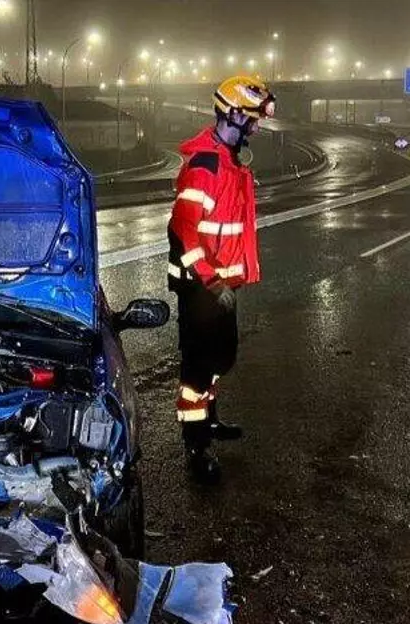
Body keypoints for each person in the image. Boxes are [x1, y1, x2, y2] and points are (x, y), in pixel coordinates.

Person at [166, 75, 275, 484]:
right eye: (252, 119)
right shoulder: (205, 166)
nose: (256, 128)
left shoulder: (228, 162)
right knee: (197, 370)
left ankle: (209, 420)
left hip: (222, 285)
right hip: (201, 287)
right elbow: (184, 231)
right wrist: (211, 282)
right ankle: (196, 445)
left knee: (221, 358)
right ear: (233, 115)